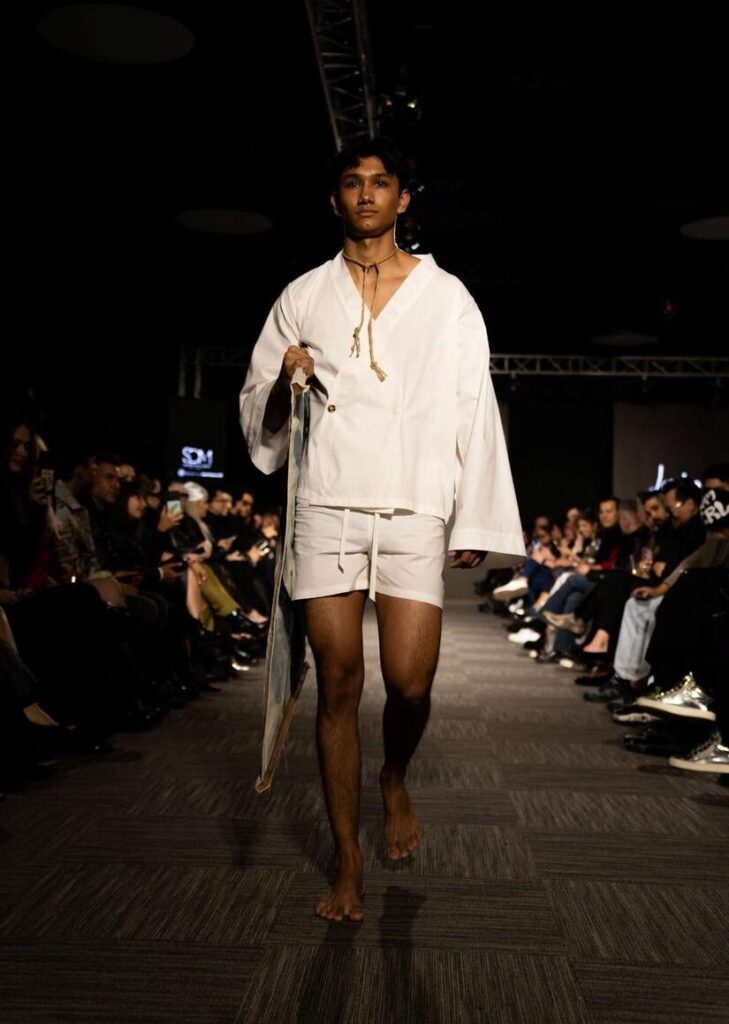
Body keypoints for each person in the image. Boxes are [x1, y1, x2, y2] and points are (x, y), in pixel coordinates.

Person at [239, 136, 524, 922]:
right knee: (337, 682)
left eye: (380, 182)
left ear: (403, 199)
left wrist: (473, 511)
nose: (366, 194)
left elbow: (473, 404)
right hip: (326, 503)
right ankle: (347, 861)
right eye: (351, 182)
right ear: (334, 199)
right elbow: (260, 410)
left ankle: (393, 774)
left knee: (410, 682)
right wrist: (283, 378)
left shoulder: (446, 296)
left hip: (412, 504)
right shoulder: (302, 294)